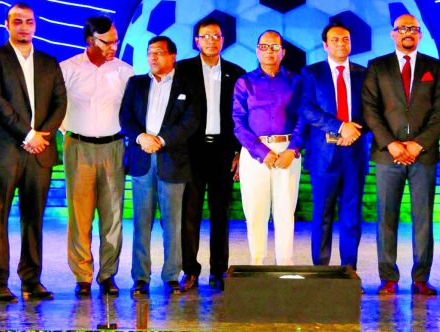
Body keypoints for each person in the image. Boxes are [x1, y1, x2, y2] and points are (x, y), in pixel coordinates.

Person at [0, 2, 67, 302]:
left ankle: (31, 280)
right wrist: (27, 133)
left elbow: (60, 102)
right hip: (5, 149)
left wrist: (41, 137)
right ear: (7, 26)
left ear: (35, 25)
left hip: (39, 151)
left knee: (34, 218)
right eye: (17, 21)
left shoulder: (48, 62)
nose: (24, 26)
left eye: (29, 21)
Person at [362, 14, 440, 296]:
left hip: (422, 156)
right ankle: (388, 277)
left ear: (420, 34)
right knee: (386, 217)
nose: (407, 33)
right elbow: (370, 110)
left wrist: (417, 145)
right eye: (402, 29)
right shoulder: (377, 66)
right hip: (388, 155)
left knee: (424, 218)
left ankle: (421, 277)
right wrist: (392, 144)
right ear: (393, 34)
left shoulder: (434, 68)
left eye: (413, 29)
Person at [59, 16, 133, 297]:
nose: (113, 46)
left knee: (113, 215)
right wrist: (68, 131)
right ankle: (82, 276)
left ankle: (107, 275)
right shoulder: (68, 69)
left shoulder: (125, 72)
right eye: (107, 41)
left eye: (115, 40)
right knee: (80, 216)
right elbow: (54, 106)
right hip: (78, 147)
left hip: (114, 147)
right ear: (90, 40)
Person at [120, 36, 198, 296]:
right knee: (141, 222)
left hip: (172, 161)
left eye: (159, 53)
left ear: (173, 56)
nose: (153, 57)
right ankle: (140, 277)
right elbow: (125, 116)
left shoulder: (188, 84)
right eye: (150, 52)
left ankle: (171, 276)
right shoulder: (137, 83)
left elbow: (190, 121)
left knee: (172, 223)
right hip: (142, 160)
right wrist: (141, 137)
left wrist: (162, 140)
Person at [175, 18, 245, 292]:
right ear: (196, 40)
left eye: (216, 36)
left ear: (223, 40)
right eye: (205, 36)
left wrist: (238, 152)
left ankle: (218, 270)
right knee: (189, 214)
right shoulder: (182, 71)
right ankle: (190, 270)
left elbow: (241, 117)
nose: (211, 41)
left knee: (220, 214)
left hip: (223, 151)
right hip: (191, 151)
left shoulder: (236, 73)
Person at [232, 30, 304, 266]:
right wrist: (263, 153)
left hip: (287, 152)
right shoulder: (245, 82)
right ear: (256, 50)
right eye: (264, 47)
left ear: (283, 52)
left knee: (285, 212)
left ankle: (285, 264)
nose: (269, 52)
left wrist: (292, 150)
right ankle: (257, 264)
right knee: (255, 212)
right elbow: (238, 122)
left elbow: (303, 119)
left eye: (274, 47)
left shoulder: (296, 81)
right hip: (255, 152)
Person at [301, 22, 369, 271]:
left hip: (355, 153)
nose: (341, 43)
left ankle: (349, 271)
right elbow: (306, 109)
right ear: (325, 45)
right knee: (322, 216)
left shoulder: (364, 73)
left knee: (351, 217)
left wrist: (354, 131)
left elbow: (372, 111)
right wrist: (340, 127)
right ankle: (321, 271)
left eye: (346, 39)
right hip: (323, 156)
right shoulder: (312, 73)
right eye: (336, 39)